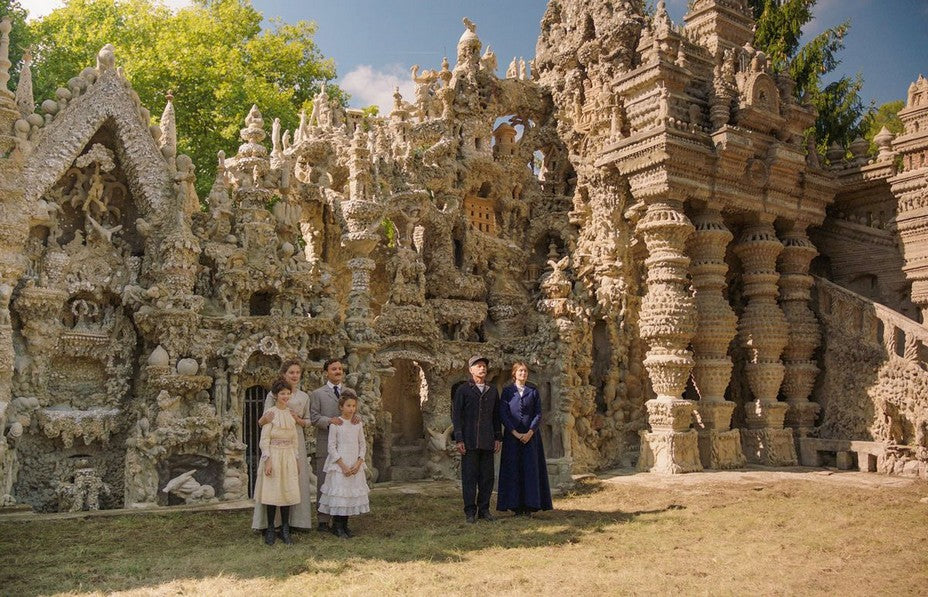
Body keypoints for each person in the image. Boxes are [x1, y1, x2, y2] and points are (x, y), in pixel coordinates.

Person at [252, 359, 315, 533]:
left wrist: (299, 420)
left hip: (295, 440)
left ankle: (297, 521)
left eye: (297, 373)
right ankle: (271, 524)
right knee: (274, 480)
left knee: (295, 478)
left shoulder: (304, 397)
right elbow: (264, 420)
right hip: (275, 441)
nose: (295, 376)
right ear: (284, 374)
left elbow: (309, 420)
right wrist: (266, 419)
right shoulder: (273, 395)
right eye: (291, 373)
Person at [497, 361, 553, 516]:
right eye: (520, 371)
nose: (523, 374)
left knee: (530, 470)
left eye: (525, 371)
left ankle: (530, 505)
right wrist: (514, 432)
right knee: (513, 470)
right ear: (514, 373)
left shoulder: (533, 391)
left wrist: (530, 432)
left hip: (531, 438)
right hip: (512, 438)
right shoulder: (507, 392)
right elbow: (504, 413)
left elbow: (538, 414)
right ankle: (515, 506)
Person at [309, 358, 357, 533]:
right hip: (325, 444)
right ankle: (323, 520)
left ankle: (342, 519)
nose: (338, 371)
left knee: (343, 483)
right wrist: (330, 421)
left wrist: (356, 417)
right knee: (325, 482)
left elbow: (353, 412)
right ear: (326, 373)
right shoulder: (318, 394)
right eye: (334, 369)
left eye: (340, 369)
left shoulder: (350, 391)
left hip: (347, 447)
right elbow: (314, 418)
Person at [452, 355, 502, 524]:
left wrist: (498, 437)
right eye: (478, 366)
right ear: (471, 369)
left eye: (484, 366)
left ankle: (484, 509)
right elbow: (457, 416)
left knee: (487, 477)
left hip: (487, 440)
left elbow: (496, 416)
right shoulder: (463, 390)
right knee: (469, 477)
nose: (482, 368)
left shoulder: (492, 390)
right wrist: (459, 439)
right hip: (469, 441)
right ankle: (470, 511)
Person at [253, 378, 301, 545]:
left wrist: (296, 460)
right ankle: (271, 528)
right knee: (273, 491)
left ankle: (285, 528)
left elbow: (294, 440)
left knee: (287, 490)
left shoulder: (290, 414)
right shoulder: (271, 414)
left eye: (288, 393)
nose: (285, 396)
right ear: (275, 395)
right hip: (273, 455)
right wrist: (267, 460)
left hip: (287, 456)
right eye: (282, 394)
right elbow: (264, 440)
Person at [318, 388, 370, 539]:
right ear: (341, 407)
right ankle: (337, 525)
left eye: (354, 406)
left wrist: (359, 462)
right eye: (348, 406)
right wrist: (342, 465)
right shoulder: (336, 424)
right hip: (340, 465)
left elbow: (362, 444)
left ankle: (345, 525)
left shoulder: (357, 424)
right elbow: (331, 447)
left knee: (348, 494)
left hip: (354, 464)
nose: (351, 409)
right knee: (340, 494)